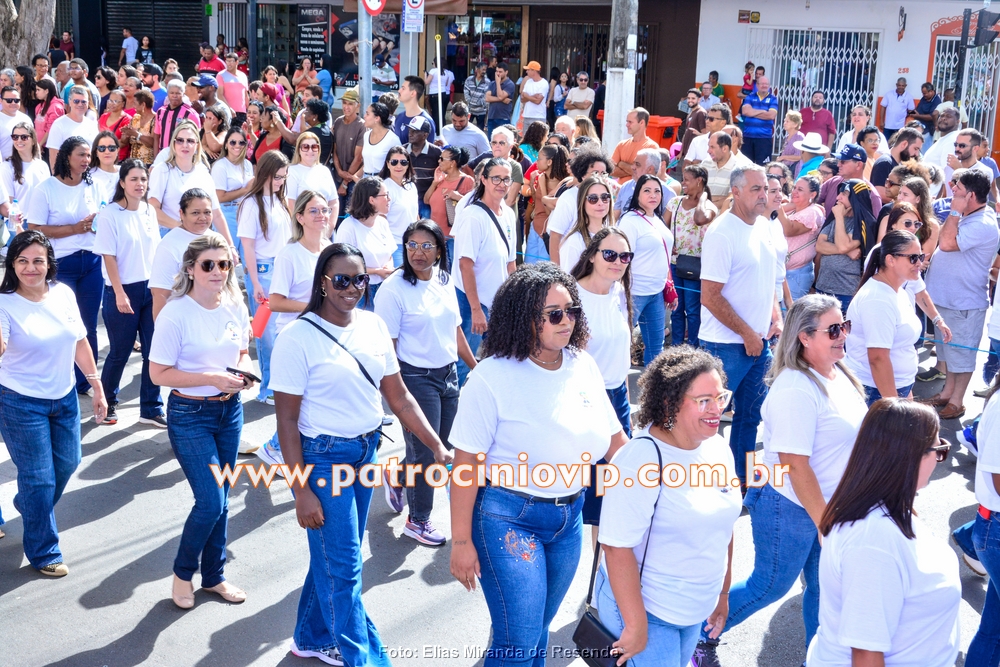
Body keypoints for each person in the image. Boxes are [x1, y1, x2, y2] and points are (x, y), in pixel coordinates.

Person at [270, 243, 449, 666]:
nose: (352, 288)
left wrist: (437, 445)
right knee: (346, 567)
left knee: (333, 557)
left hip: (366, 453)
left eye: (360, 279)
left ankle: (310, 638)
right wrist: (301, 491)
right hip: (323, 460)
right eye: (342, 280)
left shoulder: (372, 325)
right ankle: (366, 660)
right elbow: (286, 423)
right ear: (323, 283)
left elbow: (399, 397)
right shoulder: (296, 338)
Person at [449, 261, 628, 667]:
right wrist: (461, 542)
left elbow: (617, 443)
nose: (567, 321)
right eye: (554, 314)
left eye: (572, 311)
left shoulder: (582, 364)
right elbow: (465, 467)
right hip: (508, 518)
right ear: (523, 317)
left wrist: (661, 480)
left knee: (536, 632)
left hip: (569, 518)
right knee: (519, 641)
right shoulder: (491, 377)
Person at [693, 294, 868, 665]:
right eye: (833, 329)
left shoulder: (839, 372)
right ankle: (697, 637)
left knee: (824, 589)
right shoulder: (795, 390)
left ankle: (819, 658)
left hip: (828, 505)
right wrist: (825, 524)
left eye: (845, 326)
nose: (843, 335)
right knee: (769, 586)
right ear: (804, 337)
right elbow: (794, 466)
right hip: (790, 505)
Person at [602, 346, 740, 666]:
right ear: (670, 403)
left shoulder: (718, 448)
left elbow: (724, 524)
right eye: (703, 400)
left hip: (693, 611)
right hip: (649, 612)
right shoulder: (640, 460)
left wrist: (722, 594)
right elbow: (615, 546)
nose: (717, 409)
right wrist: (636, 625)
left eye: (720, 397)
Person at [807, 399, 958, 666]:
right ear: (909, 456)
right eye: (939, 450)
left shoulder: (884, 509)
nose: (939, 460)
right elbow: (866, 654)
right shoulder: (873, 543)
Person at [148, 233, 253, 610]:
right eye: (208, 264)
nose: (217, 271)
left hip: (230, 411)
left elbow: (242, 352)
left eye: (224, 264)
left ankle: (214, 576)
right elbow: (158, 373)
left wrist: (243, 373)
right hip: (190, 415)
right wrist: (210, 377)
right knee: (210, 500)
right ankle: (182, 574)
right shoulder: (175, 313)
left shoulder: (235, 304)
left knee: (221, 500)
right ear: (191, 269)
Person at [0, 229, 106, 578]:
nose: (30, 268)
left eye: (38, 261)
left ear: (49, 264)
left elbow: (79, 341)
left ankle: (29, 503)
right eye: (22, 261)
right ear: (12, 265)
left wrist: (96, 385)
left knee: (68, 463)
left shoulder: (63, 293)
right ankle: (44, 550)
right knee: (40, 478)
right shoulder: (4, 303)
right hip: (19, 401)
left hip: (64, 398)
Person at [375, 219, 477, 542]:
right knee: (426, 451)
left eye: (426, 246)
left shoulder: (444, 279)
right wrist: (392, 393)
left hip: (448, 375)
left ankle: (397, 476)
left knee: (441, 445)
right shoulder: (393, 289)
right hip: (415, 379)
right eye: (412, 245)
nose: (418, 253)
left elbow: (455, 328)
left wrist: (474, 367)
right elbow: (387, 347)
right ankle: (418, 520)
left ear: (439, 251)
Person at [699, 165, 782, 487]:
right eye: (756, 189)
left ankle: (740, 480)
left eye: (766, 189)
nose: (764, 195)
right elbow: (710, 296)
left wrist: (775, 316)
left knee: (750, 417)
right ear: (735, 192)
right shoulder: (722, 232)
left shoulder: (763, 225)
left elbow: (767, 278)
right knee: (708, 420)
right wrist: (747, 333)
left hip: (759, 343)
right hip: (725, 345)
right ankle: (704, 482)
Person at [254, 190, 332, 467]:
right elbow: (275, 302)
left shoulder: (330, 249)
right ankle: (275, 448)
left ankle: (282, 448)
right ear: (299, 217)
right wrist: (314, 306)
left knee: (315, 399)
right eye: (314, 210)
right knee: (298, 402)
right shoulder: (289, 254)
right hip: (295, 336)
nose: (321, 215)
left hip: (324, 333)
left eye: (324, 209)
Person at [26, 137, 105, 397]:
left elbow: (104, 218)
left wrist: (98, 223)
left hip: (92, 262)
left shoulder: (93, 185)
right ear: (66, 156)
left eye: (88, 155)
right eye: (81, 154)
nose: (86, 160)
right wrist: (74, 228)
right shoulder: (46, 188)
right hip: (62, 264)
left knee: (88, 325)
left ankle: (86, 382)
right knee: (61, 324)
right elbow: (35, 228)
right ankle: (56, 378)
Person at [921, 169, 999, 421]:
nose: (952, 189)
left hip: (964, 304)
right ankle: (947, 393)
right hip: (947, 301)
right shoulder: (970, 216)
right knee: (948, 352)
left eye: (958, 188)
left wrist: (954, 212)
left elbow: (946, 244)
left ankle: (957, 401)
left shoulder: (983, 223)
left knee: (961, 355)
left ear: (971, 196)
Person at [92, 159, 164, 427]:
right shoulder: (110, 214)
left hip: (151, 289)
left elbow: (156, 251)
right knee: (120, 352)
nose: (139, 184)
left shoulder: (149, 210)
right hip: (122, 290)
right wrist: (120, 293)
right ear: (122, 182)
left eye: (143, 179)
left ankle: (151, 408)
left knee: (153, 352)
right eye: (133, 179)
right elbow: (108, 256)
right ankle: (107, 402)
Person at [452, 158, 517, 386]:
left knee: (499, 359)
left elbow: (511, 263)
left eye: (506, 179)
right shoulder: (473, 216)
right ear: (484, 179)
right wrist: (476, 309)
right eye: (496, 178)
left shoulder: (508, 213)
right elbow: (465, 265)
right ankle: (454, 403)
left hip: (497, 301)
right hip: (471, 302)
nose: (502, 184)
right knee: (463, 362)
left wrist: (513, 301)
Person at [845, 229, 924, 405]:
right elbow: (878, 359)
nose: (919, 263)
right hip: (876, 392)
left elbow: (901, 348)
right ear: (890, 260)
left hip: (895, 387)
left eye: (921, 256)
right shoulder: (877, 299)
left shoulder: (897, 290)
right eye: (913, 258)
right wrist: (894, 406)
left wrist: (907, 393)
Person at [237, 150, 291, 404]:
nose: (280, 181)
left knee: (283, 332)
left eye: (284, 177)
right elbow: (247, 245)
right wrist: (255, 281)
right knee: (267, 334)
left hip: (283, 268)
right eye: (277, 176)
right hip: (263, 270)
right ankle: (268, 389)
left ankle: (280, 386)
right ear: (266, 173)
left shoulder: (280, 201)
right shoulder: (251, 203)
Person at [617, 173, 676, 365]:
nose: (653, 195)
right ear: (637, 194)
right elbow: (622, 259)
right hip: (634, 292)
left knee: (656, 347)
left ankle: (652, 385)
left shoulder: (657, 218)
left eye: (657, 191)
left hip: (656, 292)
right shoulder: (630, 220)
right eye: (647, 190)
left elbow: (664, 254)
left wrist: (668, 285)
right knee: (620, 344)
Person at [148, 121, 231, 246]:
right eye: (180, 140)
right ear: (173, 144)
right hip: (169, 236)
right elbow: (152, 209)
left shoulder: (203, 172)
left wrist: (230, 245)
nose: (185, 145)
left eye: (190, 141)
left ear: (197, 145)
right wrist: (182, 228)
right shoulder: (162, 170)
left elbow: (217, 214)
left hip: (198, 239)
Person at [149, 189, 224, 319]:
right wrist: (161, 326)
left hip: (217, 316)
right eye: (195, 213)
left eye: (207, 212)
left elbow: (229, 285)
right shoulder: (169, 245)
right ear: (182, 214)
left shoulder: (218, 239)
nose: (203, 218)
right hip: (184, 318)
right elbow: (160, 294)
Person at [664, 165, 717, 346]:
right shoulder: (675, 203)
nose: (683, 183)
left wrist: (702, 197)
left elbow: (700, 219)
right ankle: (677, 345)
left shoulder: (708, 207)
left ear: (699, 180)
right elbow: (663, 227)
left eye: (687, 179)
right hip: (675, 263)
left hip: (696, 265)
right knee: (676, 308)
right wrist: (669, 243)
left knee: (693, 311)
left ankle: (693, 347)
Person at [815, 178, 878, 314]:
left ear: (855, 198)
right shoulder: (833, 218)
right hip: (823, 287)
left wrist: (839, 217)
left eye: (844, 194)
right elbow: (819, 246)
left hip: (846, 291)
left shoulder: (865, 222)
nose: (838, 197)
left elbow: (843, 246)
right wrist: (847, 251)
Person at [334, 176, 396, 309]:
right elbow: (344, 265)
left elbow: (389, 254)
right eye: (385, 195)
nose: (389, 199)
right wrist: (377, 272)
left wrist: (388, 267)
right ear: (371, 200)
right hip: (360, 291)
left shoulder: (383, 223)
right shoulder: (348, 227)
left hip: (385, 287)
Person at [775, 175, 824, 301]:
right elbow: (767, 213)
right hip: (782, 273)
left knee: (790, 311)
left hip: (796, 275)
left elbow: (789, 230)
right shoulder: (793, 209)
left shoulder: (813, 212)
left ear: (813, 194)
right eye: (794, 188)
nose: (794, 192)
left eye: (800, 189)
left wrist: (777, 205)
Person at [425, 145, 473, 264]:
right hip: (435, 235)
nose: (438, 161)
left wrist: (458, 197)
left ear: (452, 163)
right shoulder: (441, 179)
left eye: (442, 159)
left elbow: (473, 207)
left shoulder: (467, 180)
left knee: (452, 267)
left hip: (452, 237)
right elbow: (426, 200)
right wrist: (435, 183)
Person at [211, 126, 254, 262]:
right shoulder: (220, 166)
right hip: (227, 213)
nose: (237, 145)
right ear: (226, 144)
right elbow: (219, 197)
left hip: (246, 213)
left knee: (249, 260)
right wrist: (245, 190)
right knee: (227, 259)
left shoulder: (247, 164)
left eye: (241, 142)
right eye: (233, 142)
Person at [558, 175, 613, 271]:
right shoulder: (574, 241)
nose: (600, 203)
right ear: (582, 202)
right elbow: (568, 278)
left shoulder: (614, 236)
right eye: (593, 198)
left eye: (605, 197)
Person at [378, 145, 420, 266]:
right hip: (395, 245)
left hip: (413, 244)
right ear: (388, 164)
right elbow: (380, 220)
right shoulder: (383, 188)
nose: (399, 166)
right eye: (394, 162)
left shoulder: (412, 186)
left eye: (403, 162)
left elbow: (415, 215)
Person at [0, 122, 49, 220]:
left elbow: (48, 197)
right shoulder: (7, 166)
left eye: (24, 137)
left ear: (33, 140)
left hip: (42, 221)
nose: (19, 140)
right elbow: (7, 202)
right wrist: (16, 218)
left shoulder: (42, 166)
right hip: (18, 222)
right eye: (15, 137)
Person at [285, 131, 337, 223]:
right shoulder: (292, 171)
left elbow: (334, 202)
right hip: (303, 226)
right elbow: (290, 203)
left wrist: (331, 226)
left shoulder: (325, 170)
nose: (310, 151)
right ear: (299, 150)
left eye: (314, 147)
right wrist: (302, 226)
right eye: (305, 147)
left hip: (325, 224)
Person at [43, 86, 96, 169]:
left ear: (88, 103)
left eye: (83, 102)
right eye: (76, 101)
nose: (80, 104)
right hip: (67, 174)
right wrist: (57, 176)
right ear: (70, 102)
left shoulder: (92, 125)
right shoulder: (58, 124)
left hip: (89, 173)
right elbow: (53, 156)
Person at [403, 115, 441, 218]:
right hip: (406, 198)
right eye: (409, 130)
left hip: (426, 200)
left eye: (414, 131)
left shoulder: (436, 152)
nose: (410, 134)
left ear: (425, 135)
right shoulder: (402, 151)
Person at [153, 80, 201, 157]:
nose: (174, 96)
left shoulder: (190, 113)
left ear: (183, 94)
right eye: (172, 93)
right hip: (163, 155)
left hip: (181, 156)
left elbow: (197, 138)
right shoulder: (161, 111)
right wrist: (156, 158)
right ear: (167, 93)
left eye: (178, 93)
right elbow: (156, 137)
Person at [611, 107, 660, 182]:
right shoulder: (621, 144)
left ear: (641, 123)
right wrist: (635, 170)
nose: (627, 125)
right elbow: (611, 170)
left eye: (630, 122)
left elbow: (647, 174)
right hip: (621, 188)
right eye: (627, 121)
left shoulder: (652, 147)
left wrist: (621, 164)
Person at [357, 101, 401, 179]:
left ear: (377, 118)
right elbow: (367, 163)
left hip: (383, 180)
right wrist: (356, 177)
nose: (364, 116)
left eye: (367, 114)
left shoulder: (392, 139)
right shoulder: (366, 135)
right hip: (365, 180)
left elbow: (400, 165)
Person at [741, 76, 779, 166]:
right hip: (748, 137)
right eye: (762, 84)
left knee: (763, 167)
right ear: (757, 85)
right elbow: (745, 111)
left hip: (764, 138)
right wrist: (763, 111)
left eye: (766, 84)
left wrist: (752, 112)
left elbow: (771, 115)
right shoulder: (750, 96)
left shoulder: (773, 99)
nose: (764, 86)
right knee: (746, 166)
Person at [122, 88, 156, 165]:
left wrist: (136, 134)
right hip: (133, 163)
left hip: (148, 164)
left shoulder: (156, 119)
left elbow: (153, 143)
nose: (133, 106)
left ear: (143, 104)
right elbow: (125, 142)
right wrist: (125, 135)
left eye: (135, 103)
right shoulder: (135, 118)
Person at [32, 79, 64, 154]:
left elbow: (51, 129)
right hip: (39, 145)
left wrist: (40, 144)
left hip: (50, 146)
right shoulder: (39, 106)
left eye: (38, 90)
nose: (36, 92)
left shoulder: (56, 107)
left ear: (46, 91)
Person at [484, 62, 517, 136]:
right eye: (497, 71)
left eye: (500, 72)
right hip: (491, 117)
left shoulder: (510, 84)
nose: (498, 74)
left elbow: (500, 96)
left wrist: (498, 83)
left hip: (503, 117)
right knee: (491, 140)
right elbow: (487, 98)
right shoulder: (492, 83)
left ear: (506, 72)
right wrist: (502, 100)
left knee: (503, 139)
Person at [912, 82, 942, 148]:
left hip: (929, 131)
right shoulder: (924, 98)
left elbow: (931, 116)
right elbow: (918, 109)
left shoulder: (937, 101)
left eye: (925, 93)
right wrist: (912, 112)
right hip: (919, 129)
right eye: (923, 93)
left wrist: (918, 116)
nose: (923, 95)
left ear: (931, 91)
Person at [463, 62, 490, 129]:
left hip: (481, 110)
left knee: (480, 130)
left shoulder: (487, 82)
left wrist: (478, 103)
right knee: (466, 128)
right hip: (470, 109)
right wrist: (470, 101)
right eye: (483, 69)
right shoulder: (469, 80)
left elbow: (486, 95)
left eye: (485, 70)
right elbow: (466, 91)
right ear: (477, 69)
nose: (484, 71)